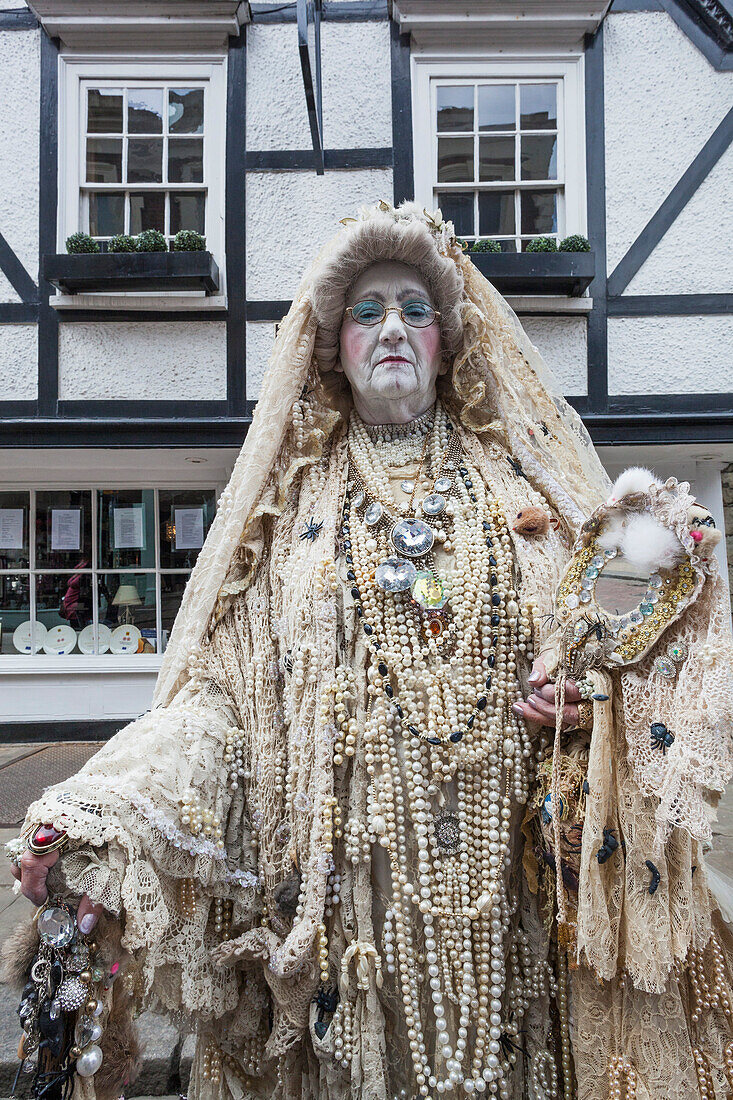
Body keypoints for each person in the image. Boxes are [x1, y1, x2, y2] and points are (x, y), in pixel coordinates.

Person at [6, 200, 733, 1100]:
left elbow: (610, 650)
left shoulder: (527, 493)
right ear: (331, 347)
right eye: (366, 310)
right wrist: (103, 811)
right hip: (350, 922)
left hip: (510, 917)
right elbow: (217, 706)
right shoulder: (289, 520)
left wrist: (588, 706)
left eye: (414, 309)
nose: (392, 326)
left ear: (448, 340)